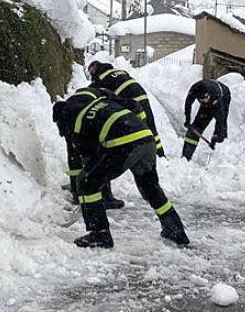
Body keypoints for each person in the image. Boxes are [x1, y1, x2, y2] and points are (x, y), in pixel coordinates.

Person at [53, 88, 190, 248]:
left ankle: (100, 234)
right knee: (150, 187)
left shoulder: (75, 124)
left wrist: (81, 188)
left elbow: (86, 158)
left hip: (124, 142)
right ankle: (174, 229)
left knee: (87, 181)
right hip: (145, 138)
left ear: (63, 119)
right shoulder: (102, 104)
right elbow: (133, 106)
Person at [87, 61, 165, 157]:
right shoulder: (118, 71)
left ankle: (140, 150)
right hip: (141, 94)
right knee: (150, 124)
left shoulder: (100, 77)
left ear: (95, 68)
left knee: (137, 126)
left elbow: (91, 91)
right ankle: (160, 154)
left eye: (91, 72)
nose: (91, 75)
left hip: (130, 98)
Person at [182, 78, 231, 160]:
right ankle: (186, 157)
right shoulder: (194, 90)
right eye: (202, 99)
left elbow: (220, 118)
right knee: (195, 128)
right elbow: (188, 104)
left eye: (206, 97)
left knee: (221, 128)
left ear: (208, 94)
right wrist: (187, 120)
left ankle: (221, 155)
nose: (205, 100)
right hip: (209, 102)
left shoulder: (216, 94)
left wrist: (216, 135)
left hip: (224, 96)